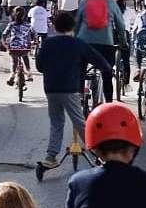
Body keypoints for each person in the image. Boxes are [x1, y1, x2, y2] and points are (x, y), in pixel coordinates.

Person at [36, 10, 112, 168]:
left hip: (51, 88)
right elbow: (99, 61)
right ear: (73, 27)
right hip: (70, 88)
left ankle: (51, 156)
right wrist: (106, 68)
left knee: (56, 122)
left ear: (54, 26)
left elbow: (39, 66)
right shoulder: (78, 43)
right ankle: (99, 154)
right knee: (80, 122)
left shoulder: (48, 43)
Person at [74, 0, 127, 104]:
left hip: (84, 43)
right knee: (107, 73)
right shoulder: (111, 4)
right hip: (105, 43)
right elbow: (121, 25)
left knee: (80, 68)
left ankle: (80, 93)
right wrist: (123, 42)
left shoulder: (85, 3)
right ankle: (108, 103)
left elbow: (76, 24)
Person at [4, 5, 35, 81]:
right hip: (24, 48)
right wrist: (34, 41)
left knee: (14, 61)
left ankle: (12, 75)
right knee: (25, 57)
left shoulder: (11, 24)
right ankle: (29, 73)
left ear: (13, 15)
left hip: (13, 48)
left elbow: (4, 34)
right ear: (24, 15)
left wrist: (4, 42)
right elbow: (34, 34)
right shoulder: (28, 25)